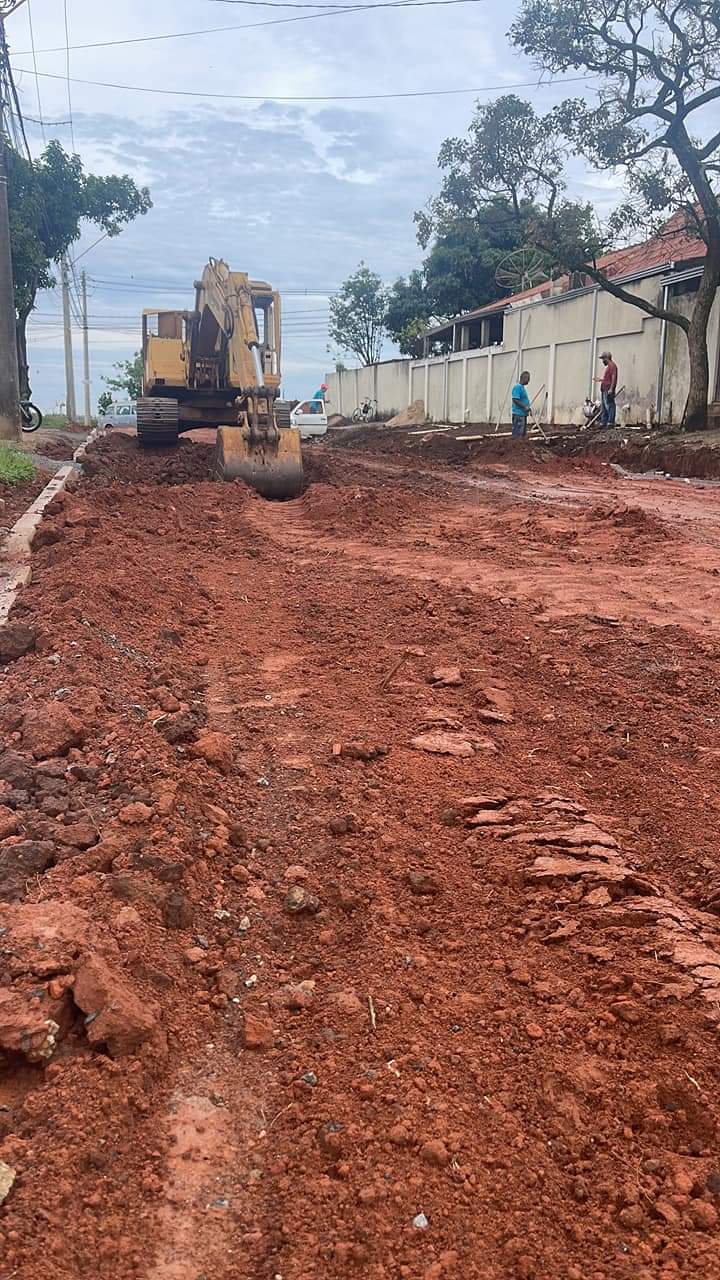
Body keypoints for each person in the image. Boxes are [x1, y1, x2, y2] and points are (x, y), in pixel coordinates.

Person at [594, 351, 618, 426]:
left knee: (610, 405)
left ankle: (610, 422)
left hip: (608, 389)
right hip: (604, 389)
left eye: (603, 359)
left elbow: (613, 378)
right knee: (604, 407)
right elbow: (608, 379)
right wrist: (600, 380)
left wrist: (611, 389)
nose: (602, 361)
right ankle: (604, 422)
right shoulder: (609, 367)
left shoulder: (612, 366)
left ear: (606, 358)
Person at [511, 370, 531, 438]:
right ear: (524, 378)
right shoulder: (517, 387)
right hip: (518, 415)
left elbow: (522, 400)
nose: (528, 381)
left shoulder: (522, 388)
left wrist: (528, 409)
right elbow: (515, 399)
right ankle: (515, 446)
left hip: (523, 414)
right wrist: (525, 407)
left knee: (522, 434)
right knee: (518, 434)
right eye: (528, 379)